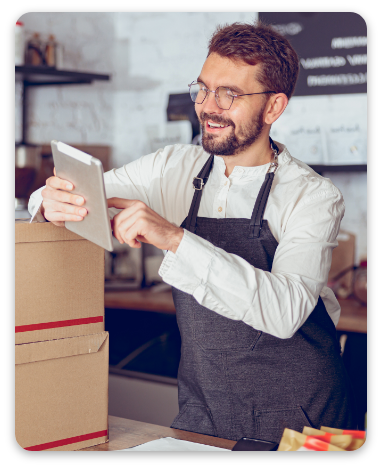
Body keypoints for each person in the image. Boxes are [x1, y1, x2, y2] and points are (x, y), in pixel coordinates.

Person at [28, 21, 357, 443]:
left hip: (300, 416)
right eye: (203, 88)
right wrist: (48, 200)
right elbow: (76, 190)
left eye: (229, 94)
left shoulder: (312, 195)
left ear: (274, 107)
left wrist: (174, 239)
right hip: (206, 408)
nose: (207, 106)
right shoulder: (172, 167)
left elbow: (285, 311)